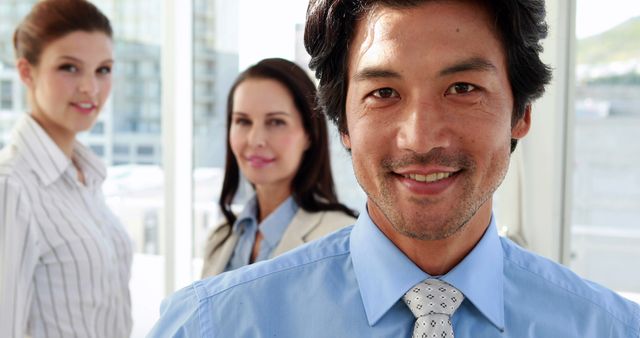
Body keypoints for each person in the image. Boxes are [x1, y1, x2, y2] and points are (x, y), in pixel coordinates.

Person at [149, 0, 640, 337]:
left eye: (463, 88)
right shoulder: (213, 325)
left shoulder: (613, 329)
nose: (421, 138)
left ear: (522, 113)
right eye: (383, 93)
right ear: (343, 123)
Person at [0, 1, 133, 337]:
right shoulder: (11, 187)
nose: (90, 88)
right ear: (27, 72)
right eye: (70, 68)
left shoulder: (85, 179)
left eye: (103, 69)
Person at [201, 58, 356, 277]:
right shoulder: (221, 238)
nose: (255, 140)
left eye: (276, 122)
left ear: (309, 134)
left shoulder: (342, 240)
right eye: (243, 121)